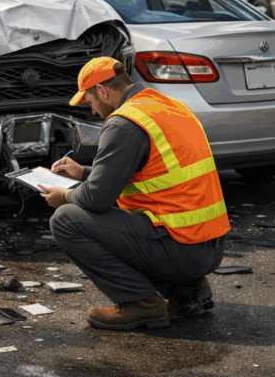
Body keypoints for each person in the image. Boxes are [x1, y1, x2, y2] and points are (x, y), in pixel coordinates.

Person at [40, 57, 230, 330]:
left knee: (66, 219)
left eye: (90, 101)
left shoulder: (123, 123)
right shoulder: (169, 107)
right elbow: (145, 173)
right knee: (137, 217)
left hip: (182, 249)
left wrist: (64, 196)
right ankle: (187, 290)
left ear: (103, 91)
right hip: (209, 246)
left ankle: (139, 304)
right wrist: (82, 172)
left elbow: (95, 199)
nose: (93, 111)